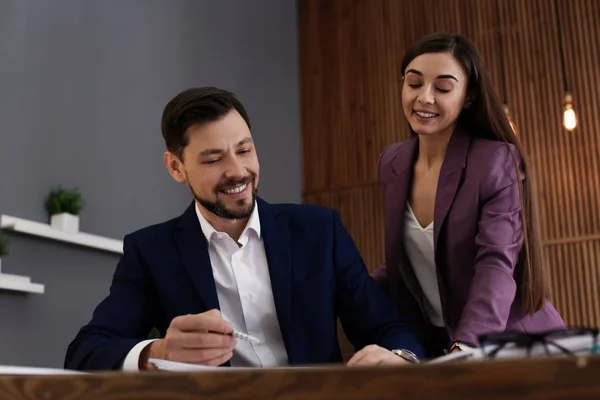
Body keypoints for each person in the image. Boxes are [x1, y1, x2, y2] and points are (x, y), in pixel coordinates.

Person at [64, 86, 425, 371]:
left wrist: (400, 356)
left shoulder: (319, 231)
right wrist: (158, 351)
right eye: (214, 159)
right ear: (176, 167)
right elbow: (86, 350)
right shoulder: (150, 252)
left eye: (245, 149)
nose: (238, 170)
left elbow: (388, 326)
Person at [371, 33, 565, 358]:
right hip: (442, 350)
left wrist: (465, 350)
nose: (424, 98)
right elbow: (403, 265)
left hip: (513, 346)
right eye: (414, 83)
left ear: (469, 97)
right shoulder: (391, 162)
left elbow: (495, 264)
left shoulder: (496, 161)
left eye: (443, 88)